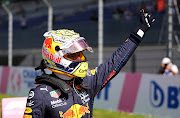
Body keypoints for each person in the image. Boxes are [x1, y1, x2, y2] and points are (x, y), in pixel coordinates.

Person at [23, 9, 155, 118]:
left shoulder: (87, 82)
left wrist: (139, 32)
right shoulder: (40, 94)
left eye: (80, 53)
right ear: (55, 56)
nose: (80, 58)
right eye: (73, 54)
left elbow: (114, 63)